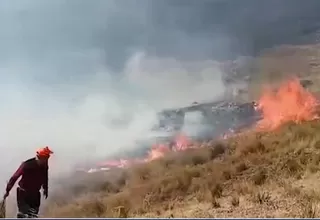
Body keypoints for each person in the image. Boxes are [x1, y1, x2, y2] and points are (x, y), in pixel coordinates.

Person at [3, 146, 53, 218]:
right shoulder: (26, 165)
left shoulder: (44, 166)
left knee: (33, 216)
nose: (47, 160)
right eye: (46, 158)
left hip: (35, 195)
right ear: (40, 157)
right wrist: (7, 190)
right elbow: (14, 177)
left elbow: (45, 177)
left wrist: (45, 189)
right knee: (23, 214)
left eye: (48, 158)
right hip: (23, 194)